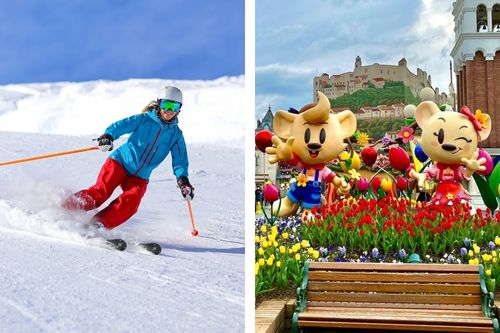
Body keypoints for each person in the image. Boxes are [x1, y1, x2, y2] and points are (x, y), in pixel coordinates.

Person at [63, 85, 194, 229]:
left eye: (173, 106)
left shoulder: (176, 135)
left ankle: (98, 225)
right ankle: (65, 208)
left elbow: (180, 160)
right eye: (166, 105)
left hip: (140, 176)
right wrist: (108, 136)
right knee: (100, 193)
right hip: (120, 162)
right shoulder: (144, 119)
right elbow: (121, 126)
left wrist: (183, 180)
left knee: (131, 202)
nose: (169, 111)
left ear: (179, 109)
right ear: (159, 103)